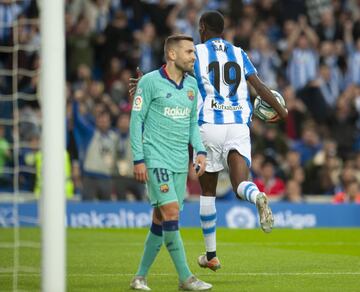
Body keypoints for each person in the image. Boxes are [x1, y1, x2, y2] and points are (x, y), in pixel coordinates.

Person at [129, 11, 288, 273]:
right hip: (238, 125)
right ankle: (258, 195)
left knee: (208, 192)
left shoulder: (197, 53)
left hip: (208, 125)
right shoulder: (239, 53)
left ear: (202, 27)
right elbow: (259, 87)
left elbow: (171, 73)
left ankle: (211, 255)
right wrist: (281, 112)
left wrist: (144, 84)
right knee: (240, 185)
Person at [129, 34, 212, 291]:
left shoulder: (191, 86)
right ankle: (186, 277)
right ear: (172, 54)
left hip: (179, 163)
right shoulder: (150, 82)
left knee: (159, 219)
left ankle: (139, 277)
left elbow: (191, 125)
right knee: (172, 213)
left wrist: (200, 151)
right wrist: (139, 159)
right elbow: (135, 121)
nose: (194, 57)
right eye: (189, 52)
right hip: (155, 159)